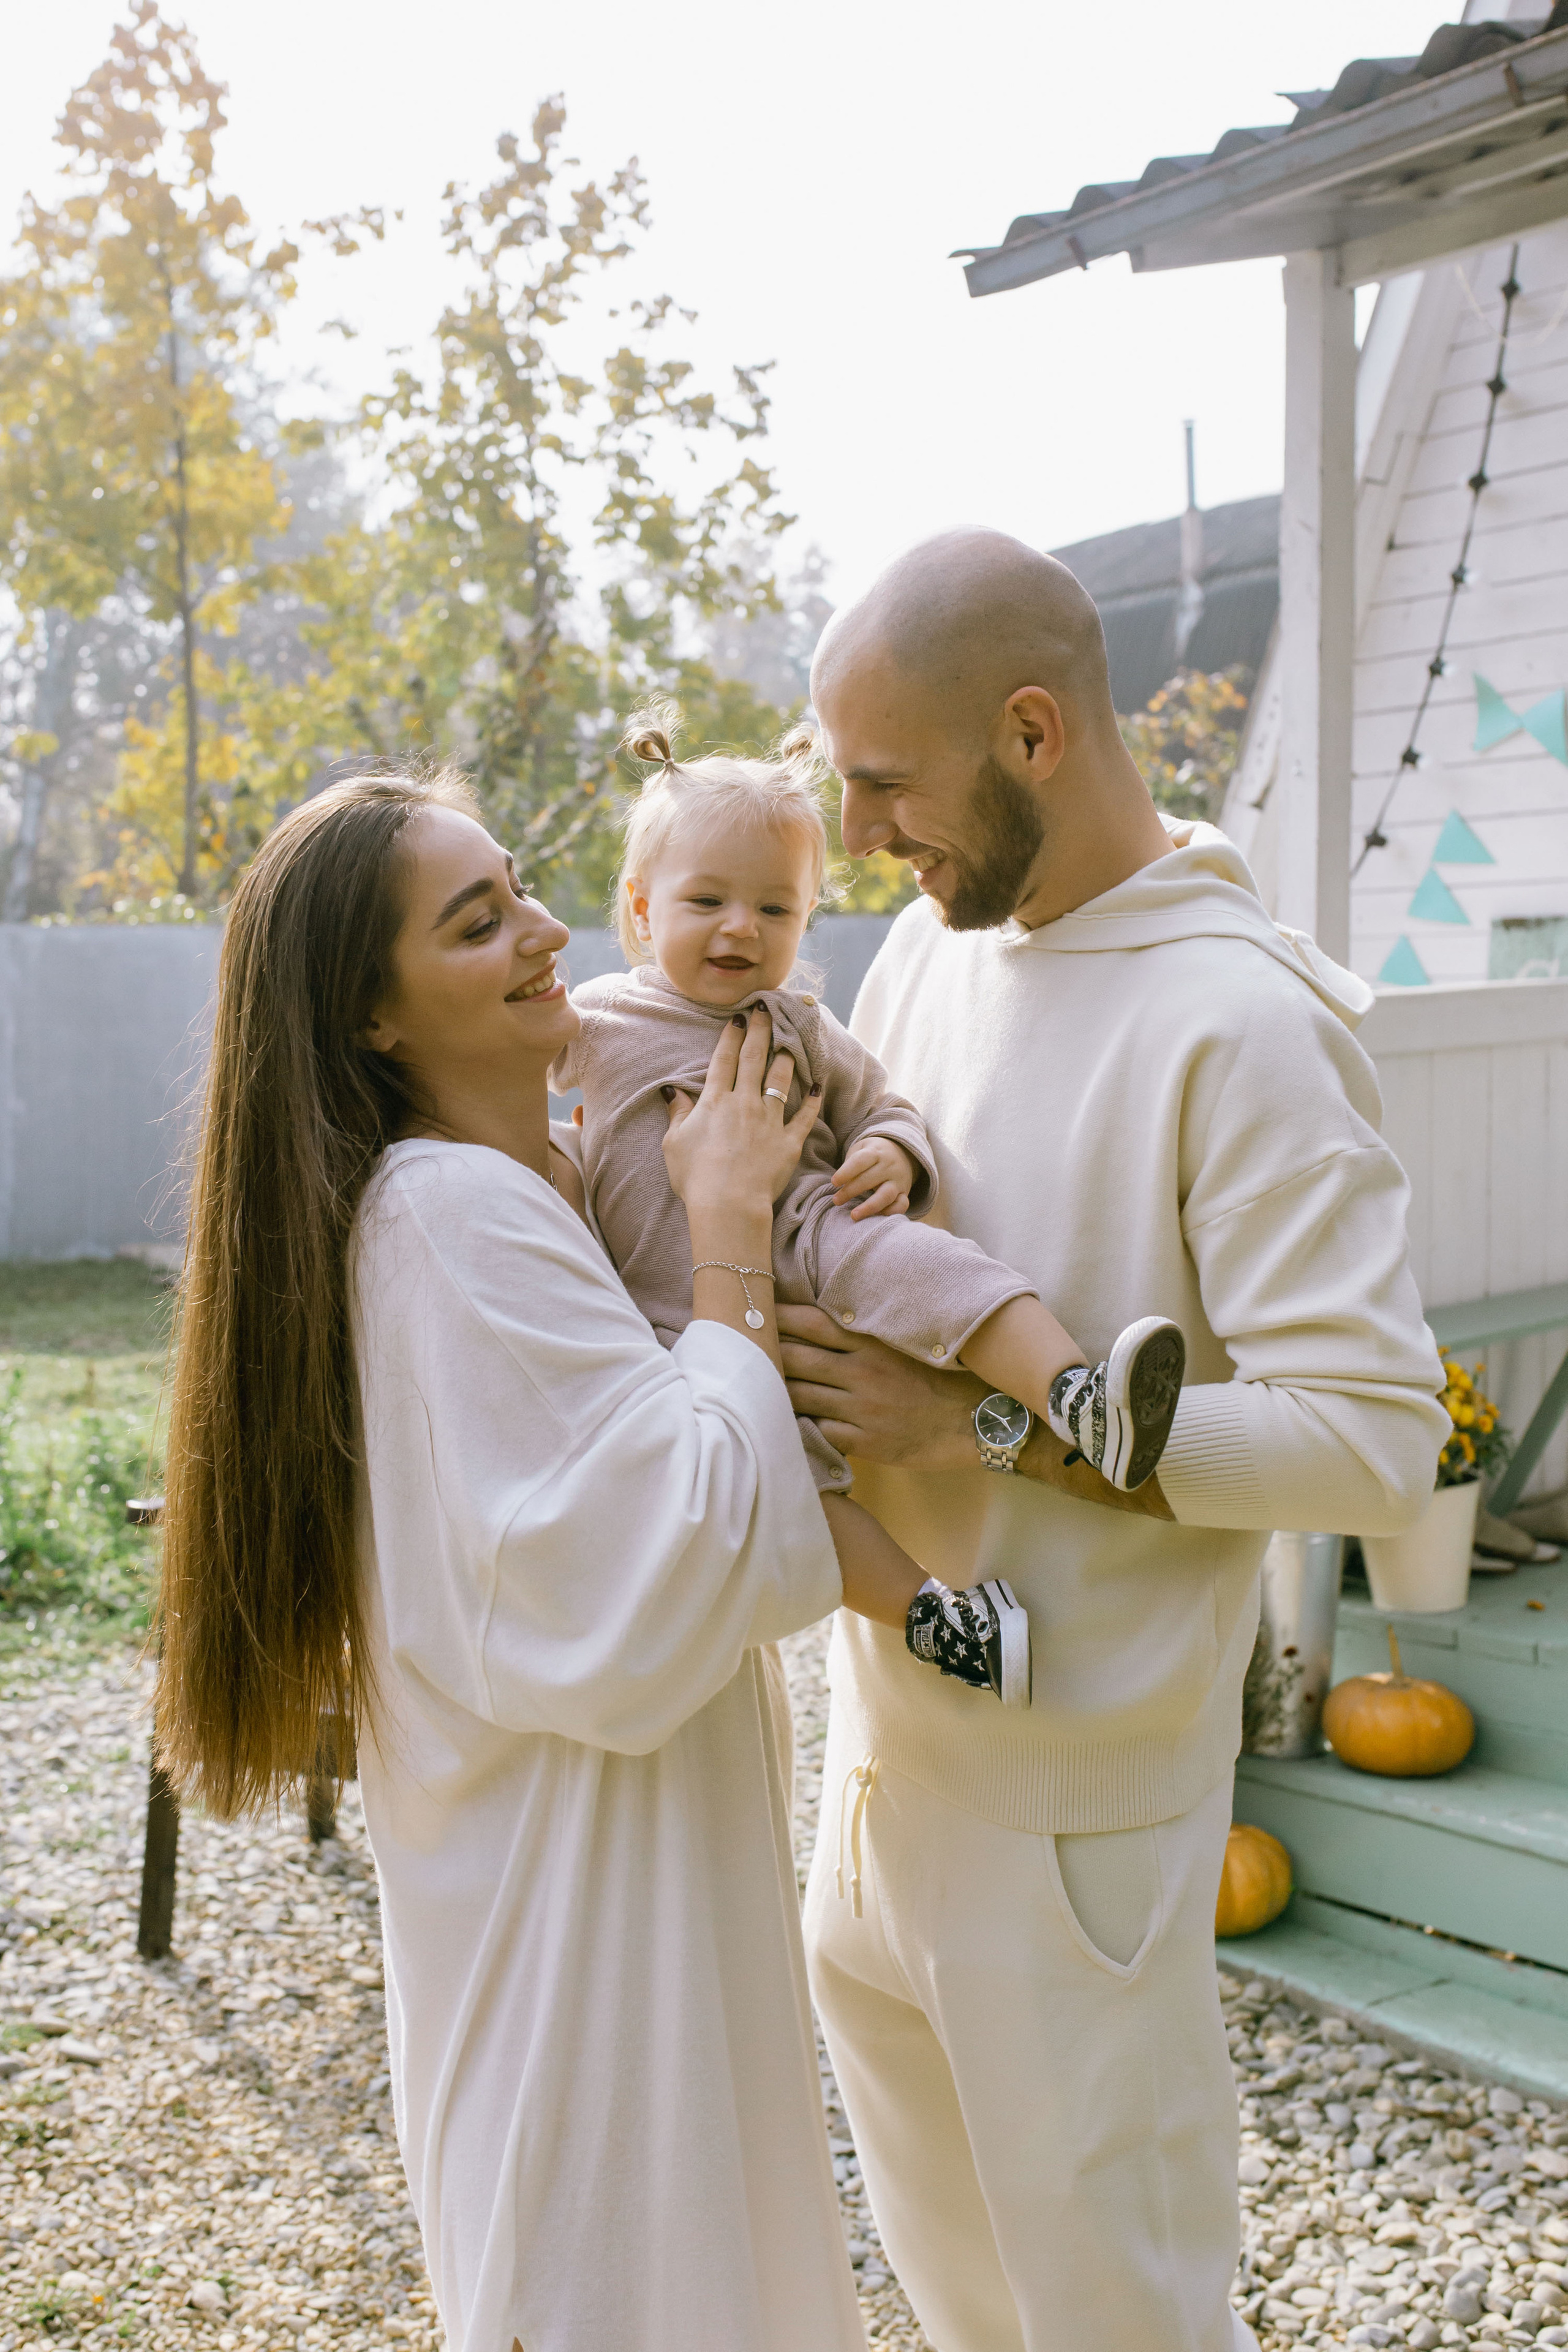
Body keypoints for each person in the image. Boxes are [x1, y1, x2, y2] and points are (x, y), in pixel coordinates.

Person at [149, 767, 933, 2352]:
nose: (546, 931)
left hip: (608, 1882)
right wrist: (727, 1221)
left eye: (519, 890)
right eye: (478, 922)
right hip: (589, 1942)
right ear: (373, 1019)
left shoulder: (513, 1202)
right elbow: (670, 1551)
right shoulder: (446, 1219)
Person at [777, 530, 1449, 2352]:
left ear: (1029, 733)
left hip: (1075, 1833)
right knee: (967, 2313)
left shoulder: (1244, 1023)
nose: (858, 836)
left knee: (1120, 2325)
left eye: (885, 784)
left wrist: (995, 1424)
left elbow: (1376, 1445)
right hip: (876, 1773)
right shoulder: (934, 946)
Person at [549, 706, 1189, 1708]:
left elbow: (880, 1101)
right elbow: (500, 1067)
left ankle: (1076, 1396)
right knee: (790, 1491)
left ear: (805, 922)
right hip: (663, 1319)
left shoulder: (798, 1021)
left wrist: (892, 1151)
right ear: (639, 909)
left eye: (774, 911)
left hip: (816, 1237)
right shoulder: (598, 1018)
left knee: (935, 1270)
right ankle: (945, 1623)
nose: (738, 929)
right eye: (706, 900)